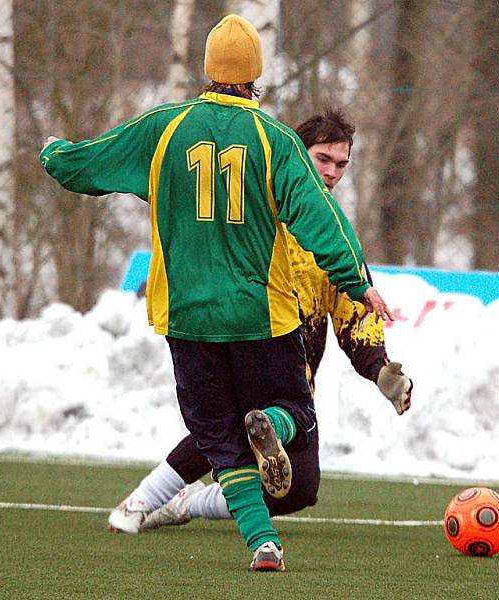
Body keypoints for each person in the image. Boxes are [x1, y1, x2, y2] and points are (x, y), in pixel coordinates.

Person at [39, 14, 393, 572]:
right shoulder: (275, 140)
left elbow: (90, 164)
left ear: (207, 70)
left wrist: (55, 155)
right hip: (259, 315)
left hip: (187, 316)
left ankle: (264, 542)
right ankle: (270, 427)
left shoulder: (165, 127)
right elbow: (320, 219)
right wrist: (357, 282)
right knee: (296, 412)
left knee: (221, 439)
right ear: (256, 75)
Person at [106, 108, 414, 536]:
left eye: (341, 164)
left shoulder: (330, 233)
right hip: (242, 342)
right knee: (228, 421)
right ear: (294, 155)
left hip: (293, 379)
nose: (331, 173)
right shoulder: (260, 217)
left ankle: (188, 502)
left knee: (300, 487)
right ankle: (144, 499)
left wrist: (380, 369)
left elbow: (352, 310)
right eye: (322, 159)